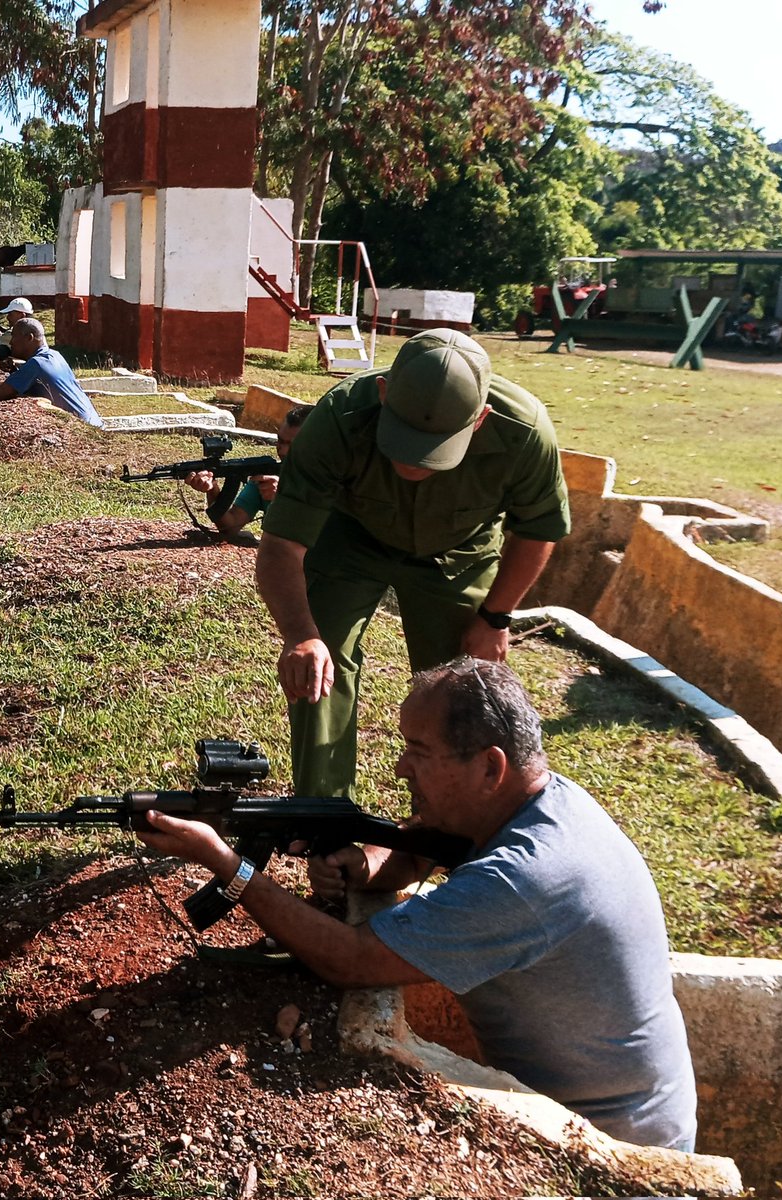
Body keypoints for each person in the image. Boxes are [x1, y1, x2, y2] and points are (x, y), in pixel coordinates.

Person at [136, 656, 697, 1153]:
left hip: (612, 1147)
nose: (402, 767)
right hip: (618, 1107)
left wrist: (227, 866)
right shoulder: (545, 800)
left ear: (490, 767)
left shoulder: (527, 878)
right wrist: (370, 864)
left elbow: (351, 961)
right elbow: (425, 835)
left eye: (419, 752)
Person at [255, 328, 570, 799]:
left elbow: (539, 528)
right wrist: (301, 635)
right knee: (319, 662)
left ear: (480, 419)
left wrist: (495, 617)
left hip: (459, 551)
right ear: (382, 393)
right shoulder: (339, 416)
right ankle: (322, 814)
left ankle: (442, 819)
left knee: (464, 686)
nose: (417, 461)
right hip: (351, 538)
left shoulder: (524, 431)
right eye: (404, 437)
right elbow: (282, 543)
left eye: (437, 445)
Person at [0, 318, 104, 428]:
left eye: (14, 337)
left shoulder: (36, 364)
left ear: (29, 338)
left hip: (81, 427)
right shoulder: (55, 355)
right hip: (94, 422)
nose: (11, 343)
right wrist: (16, 370)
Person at [183, 406, 310, 535]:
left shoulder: (327, 480)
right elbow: (230, 526)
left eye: (292, 445)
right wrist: (212, 490)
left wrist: (284, 497)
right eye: (280, 442)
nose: (282, 450)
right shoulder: (268, 476)